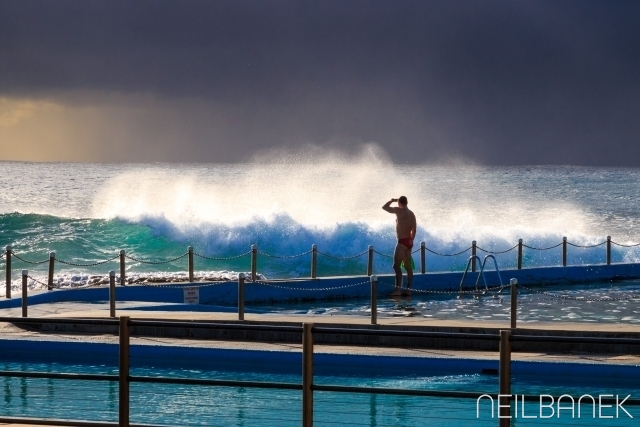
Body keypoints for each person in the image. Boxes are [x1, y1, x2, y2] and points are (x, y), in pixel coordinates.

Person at [382, 196, 417, 296]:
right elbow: (414, 229)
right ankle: (408, 289)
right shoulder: (412, 214)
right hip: (409, 242)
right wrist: (411, 241)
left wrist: (391, 201)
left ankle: (397, 290)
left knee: (396, 266)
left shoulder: (400, 210)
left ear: (399, 203)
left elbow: (384, 207)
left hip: (402, 242)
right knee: (407, 266)